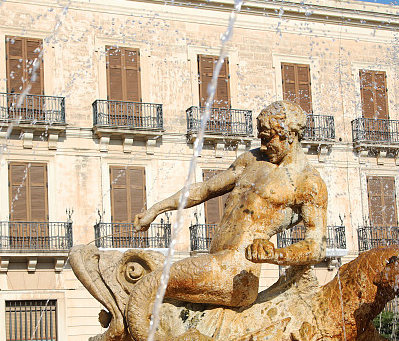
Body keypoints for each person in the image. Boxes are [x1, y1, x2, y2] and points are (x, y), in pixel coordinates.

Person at [133, 99, 327, 308]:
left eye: (267, 138)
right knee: (148, 294)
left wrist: (274, 254)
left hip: (236, 273)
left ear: (289, 134)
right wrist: (156, 209)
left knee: (148, 285)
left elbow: (316, 246)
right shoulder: (252, 160)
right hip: (215, 261)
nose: (262, 145)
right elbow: (205, 189)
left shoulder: (308, 183)